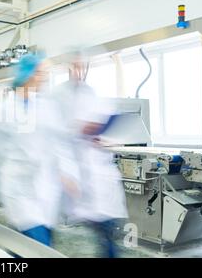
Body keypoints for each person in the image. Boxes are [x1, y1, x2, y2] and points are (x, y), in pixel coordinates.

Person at [0, 54, 79, 247]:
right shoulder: (4, 108)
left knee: (26, 244)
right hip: (17, 187)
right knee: (39, 246)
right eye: (41, 73)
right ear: (29, 75)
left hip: (44, 186)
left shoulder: (47, 107)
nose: (45, 77)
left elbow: (61, 143)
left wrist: (68, 173)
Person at [52, 60, 128, 257]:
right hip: (91, 197)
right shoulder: (61, 100)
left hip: (103, 196)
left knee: (107, 238)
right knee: (105, 238)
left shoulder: (91, 101)